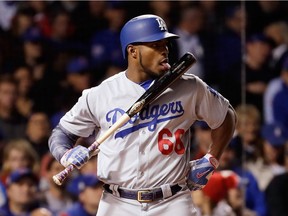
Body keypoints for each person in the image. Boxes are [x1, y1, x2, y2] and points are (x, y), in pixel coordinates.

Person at [48, 14, 236, 216]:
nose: (164, 51)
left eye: (165, 44)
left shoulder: (189, 86)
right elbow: (61, 134)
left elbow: (227, 116)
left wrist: (211, 159)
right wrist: (66, 154)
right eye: (155, 45)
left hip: (172, 201)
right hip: (117, 203)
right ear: (133, 51)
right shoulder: (101, 94)